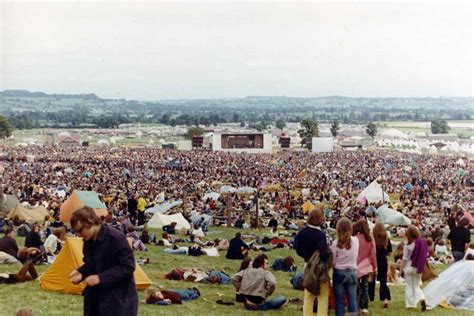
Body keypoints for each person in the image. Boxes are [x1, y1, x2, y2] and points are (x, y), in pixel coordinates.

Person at [68, 206, 138, 316]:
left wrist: (101, 278)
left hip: (118, 301)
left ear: (90, 221)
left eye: (80, 230)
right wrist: (81, 272)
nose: (78, 235)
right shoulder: (88, 241)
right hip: (95, 300)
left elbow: (128, 266)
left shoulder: (115, 238)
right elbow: (91, 264)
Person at [294, 208, 330, 316]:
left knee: (308, 295)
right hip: (320, 267)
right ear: (320, 219)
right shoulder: (320, 235)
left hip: (308, 265)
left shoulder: (302, 233)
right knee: (323, 296)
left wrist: (305, 256)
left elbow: (296, 247)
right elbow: (323, 253)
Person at [331, 217, 359, 316]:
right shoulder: (356, 241)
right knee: (352, 299)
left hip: (339, 272)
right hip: (352, 271)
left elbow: (333, 262)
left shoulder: (335, 244)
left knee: (339, 301)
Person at [400, 225, 428, 311]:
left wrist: (401, 269)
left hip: (409, 266)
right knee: (416, 286)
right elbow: (426, 254)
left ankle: (410, 304)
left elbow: (404, 258)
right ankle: (422, 297)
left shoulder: (407, 245)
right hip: (418, 267)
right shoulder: (422, 242)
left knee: (409, 286)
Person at [353, 219, 377, 314]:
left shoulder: (354, 238)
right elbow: (373, 255)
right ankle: (364, 306)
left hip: (355, 265)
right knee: (365, 286)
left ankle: (356, 305)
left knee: (356, 287)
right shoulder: (370, 239)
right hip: (366, 266)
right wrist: (374, 267)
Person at [369, 222, 392, 309]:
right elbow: (389, 252)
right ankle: (385, 299)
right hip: (383, 261)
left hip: (373, 261)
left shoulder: (372, 239)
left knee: (371, 281)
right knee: (383, 281)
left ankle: (371, 298)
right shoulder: (387, 239)